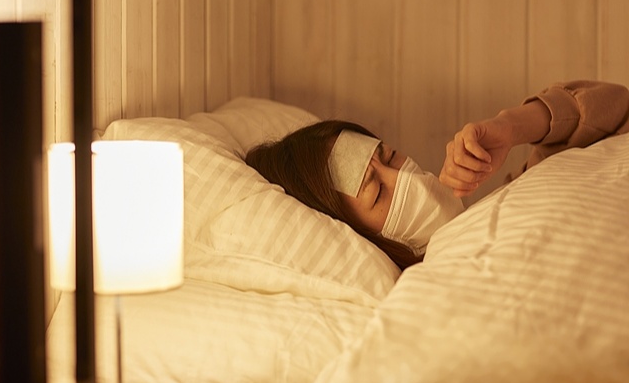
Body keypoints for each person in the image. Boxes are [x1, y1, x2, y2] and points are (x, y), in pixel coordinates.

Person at [245, 80, 629, 269]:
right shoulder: (430, 296)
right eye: (378, 193)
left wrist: (511, 127)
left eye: (391, 157)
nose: (404, 178)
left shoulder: (500, 205)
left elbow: (617, 115)